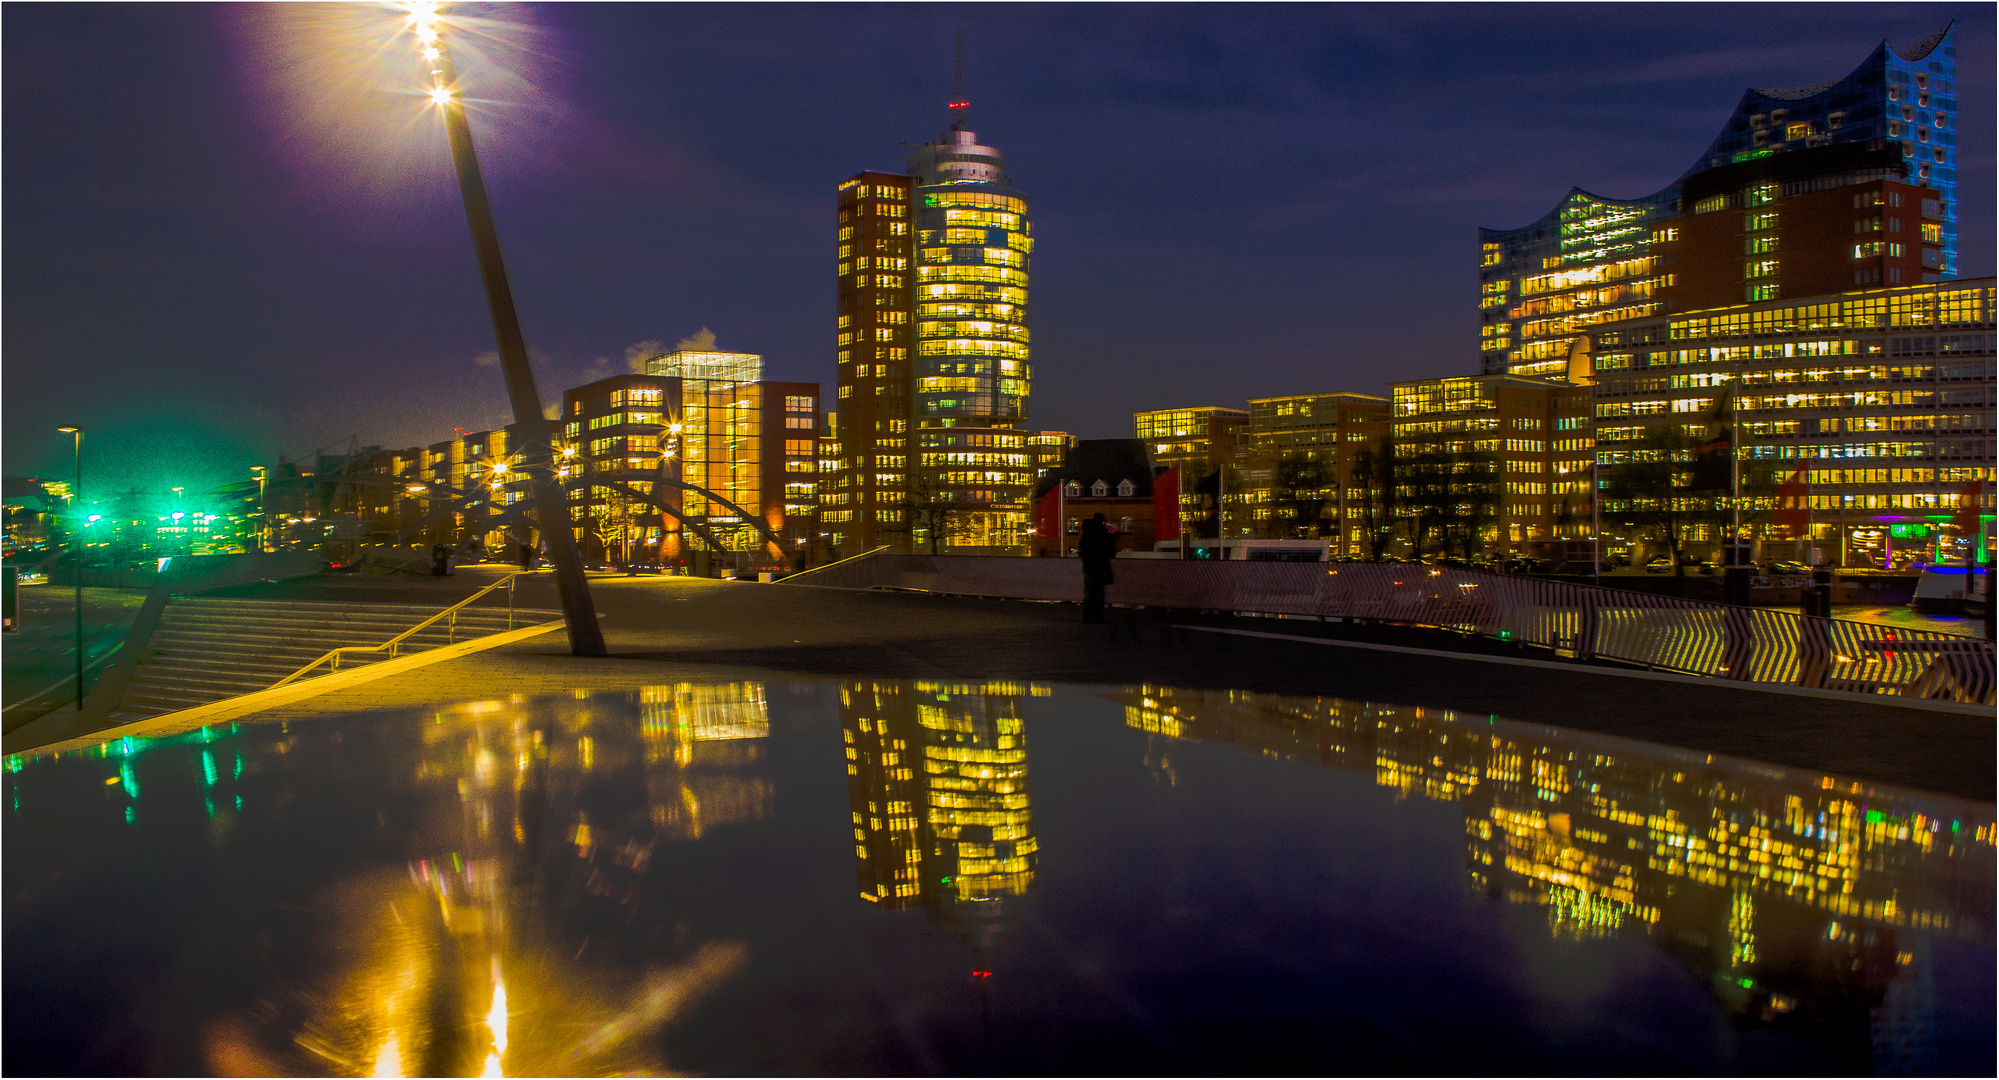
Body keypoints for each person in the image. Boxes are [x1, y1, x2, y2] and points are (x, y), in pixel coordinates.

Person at [1078, 513, 1116, 623]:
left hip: (1089, 568)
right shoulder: (1104, 534)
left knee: (1088, 593)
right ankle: (1098, 616)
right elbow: (1112, 551)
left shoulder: (1087, 534)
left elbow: (1081, 549)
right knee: (1099, 593)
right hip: (1101, 568)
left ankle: (1087, 616)